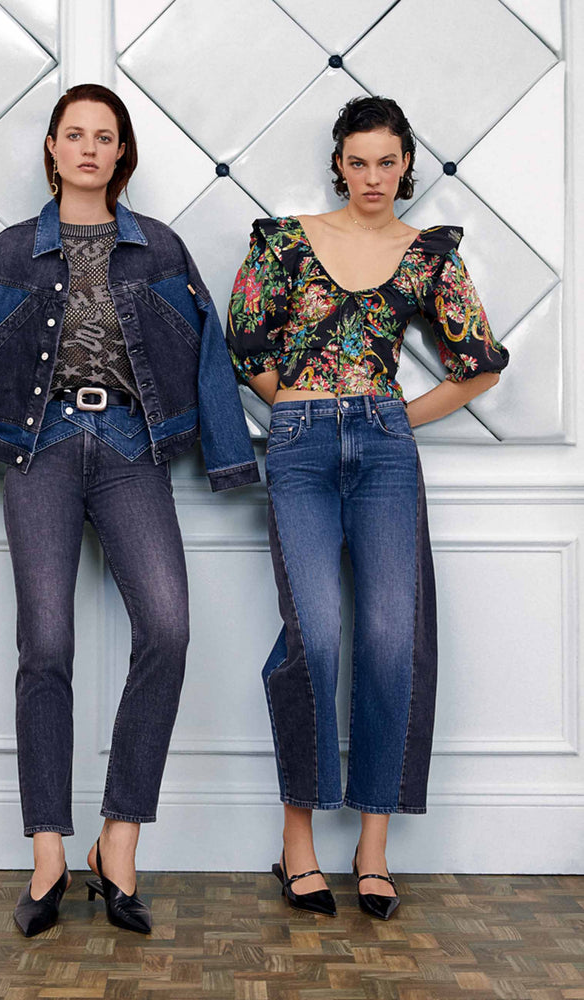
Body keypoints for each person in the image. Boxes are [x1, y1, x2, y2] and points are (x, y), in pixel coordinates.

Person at [0, 83, 259, 936]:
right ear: (54, 150)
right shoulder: (7, 253)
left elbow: (211, 353)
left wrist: (227, 456)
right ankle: (47, 855)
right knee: (48, 645)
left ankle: (120, 840)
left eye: (106, 137)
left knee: (168, 630)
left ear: (122, 153)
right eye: (76, 135)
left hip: (133, 449)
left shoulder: (162, 250)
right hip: (42, 451)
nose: (91, 149)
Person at [226, 95, 508, 921]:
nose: (374, 177)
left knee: (391, 637)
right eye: (359, 160)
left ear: (407, 167)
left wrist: (391, 416)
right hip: (302, 445)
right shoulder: (283, 243)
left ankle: (374, 849)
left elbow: (480, 362)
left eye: (389, 162)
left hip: (386, 450)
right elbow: (245, 343)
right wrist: (300, 409)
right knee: (314, 635)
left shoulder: (428, 257)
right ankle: (298, 845)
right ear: (339, 164)